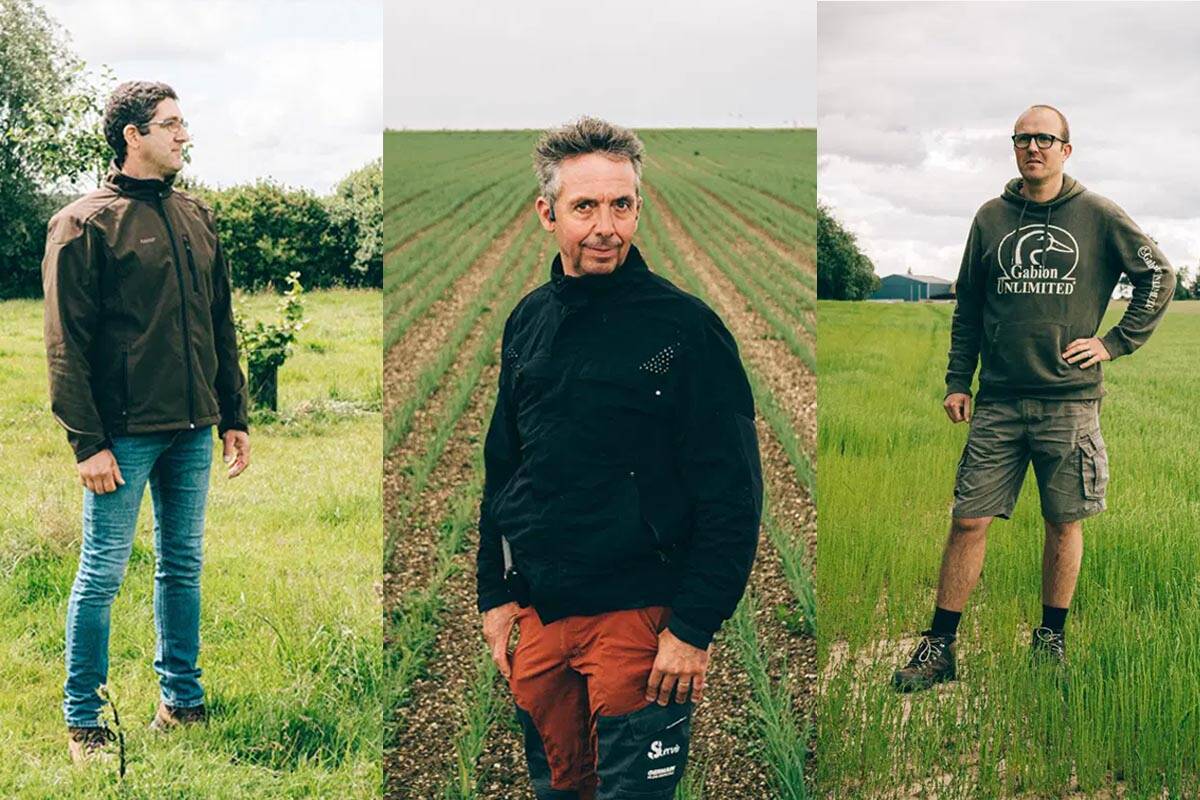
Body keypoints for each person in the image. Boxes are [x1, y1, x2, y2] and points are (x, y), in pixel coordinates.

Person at [475, 117, 763, 799]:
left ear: (639, 206)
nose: (606, 226)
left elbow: (733, 493)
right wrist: (494, 591)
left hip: (639, 615)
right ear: (546, 213)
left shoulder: (683, 330)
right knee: (558, 789)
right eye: (585, 207)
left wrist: (693, 628)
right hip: (544, 613)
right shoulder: (530, 320)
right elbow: (504, 466)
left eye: (621, 205)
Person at [892, 105, 1174, 692]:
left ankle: (1050, 642)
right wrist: (956, 381)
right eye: (1022, 138)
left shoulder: (1096, 214)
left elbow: (1159, 274)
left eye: (1045, 138)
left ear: (1066, 149)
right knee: (968, 519)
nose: (1033, 147)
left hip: (1069, 403)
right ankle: (940, 646)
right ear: (1014, 147)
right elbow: (968, 304)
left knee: (1063, 522)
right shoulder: (992, 217)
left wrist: (1115, 342)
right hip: (997, 402)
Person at [42, 81, 250, 763]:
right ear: (133, 134)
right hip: (123, 435)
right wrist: (88, 443)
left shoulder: (196, 215)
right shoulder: (83, 224)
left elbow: (219, 321)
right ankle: (85, 723)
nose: (184, 134)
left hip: (193, 426)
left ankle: (182, 704)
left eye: (183, 122)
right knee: (101, 573)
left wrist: (233, 415)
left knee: (183, 565)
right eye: (171, 124)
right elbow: (65, 343)